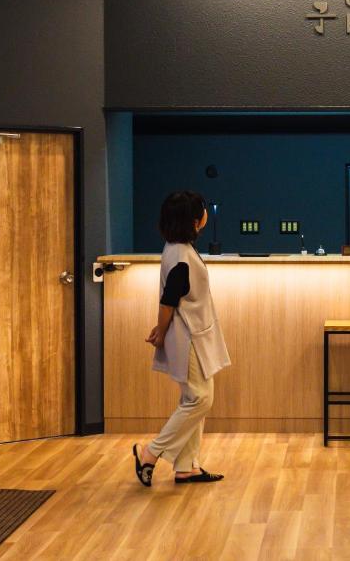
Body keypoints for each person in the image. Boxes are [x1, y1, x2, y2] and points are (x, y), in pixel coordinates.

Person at [132, 191, 231, 486]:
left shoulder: (177, 248)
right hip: (186, 336)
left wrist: (162, 328)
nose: (206, 214)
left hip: (192, 334)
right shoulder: (181, 255)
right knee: (200, 398)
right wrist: (161, 331)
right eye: (203, 210)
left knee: (194, 397)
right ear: (193, 219)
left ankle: (186, 466)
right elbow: (169, 300)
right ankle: (150, 453)